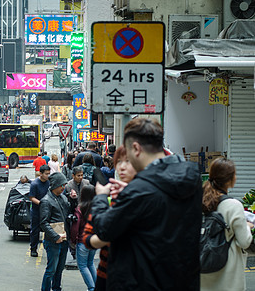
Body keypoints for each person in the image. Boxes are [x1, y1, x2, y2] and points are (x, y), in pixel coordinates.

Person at [91, 118, 203, 290]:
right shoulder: (190, 178)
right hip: (181, 280)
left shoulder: (141, 190)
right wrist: (131, 193)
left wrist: (100, 197)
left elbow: (104, 229)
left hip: (141, 282)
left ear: (136, 148)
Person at [83, 145, 137, 290]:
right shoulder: (112, 196)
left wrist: (106, 235)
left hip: (134, 277)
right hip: (106, 274)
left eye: (128, 162)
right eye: (119, 162)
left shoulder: (145, 199)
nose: (122, 167)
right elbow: (87, 238)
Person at [201, 158, 253, 291]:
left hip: (203, 270)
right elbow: (245, 241)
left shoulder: (201, 201)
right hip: (227, 275)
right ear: (230, 179)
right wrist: (247, 226)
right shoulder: (233, 206)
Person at [40, 172, 70, 291]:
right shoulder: (46, 201)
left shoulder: (63, 197)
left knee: (60, 268)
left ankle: (56, 288)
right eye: (61, 185)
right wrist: (55, 236)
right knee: (51, 269)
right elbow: (43, 222)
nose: (63, 187)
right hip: (53, 241)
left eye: (64, 185)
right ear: (54, 185)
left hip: (64, 239)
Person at [70, 185, 97, 291]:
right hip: (94, 240)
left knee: (82, 266)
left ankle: (91, 287)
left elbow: (75, 228)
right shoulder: (97, 207)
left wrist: (72, 240)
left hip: (82, 241)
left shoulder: (80, 209)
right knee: (90, 263)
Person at [29, 164, 50, 257]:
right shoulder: (35, 184)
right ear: (40, 174)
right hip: (37, 211)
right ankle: (33, 249)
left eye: (49, 174)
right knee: (35, 231)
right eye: (46, 174)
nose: (48, 176)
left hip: (47, 211)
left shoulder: (49, 183)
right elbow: (32, 198)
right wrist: (41, 203)